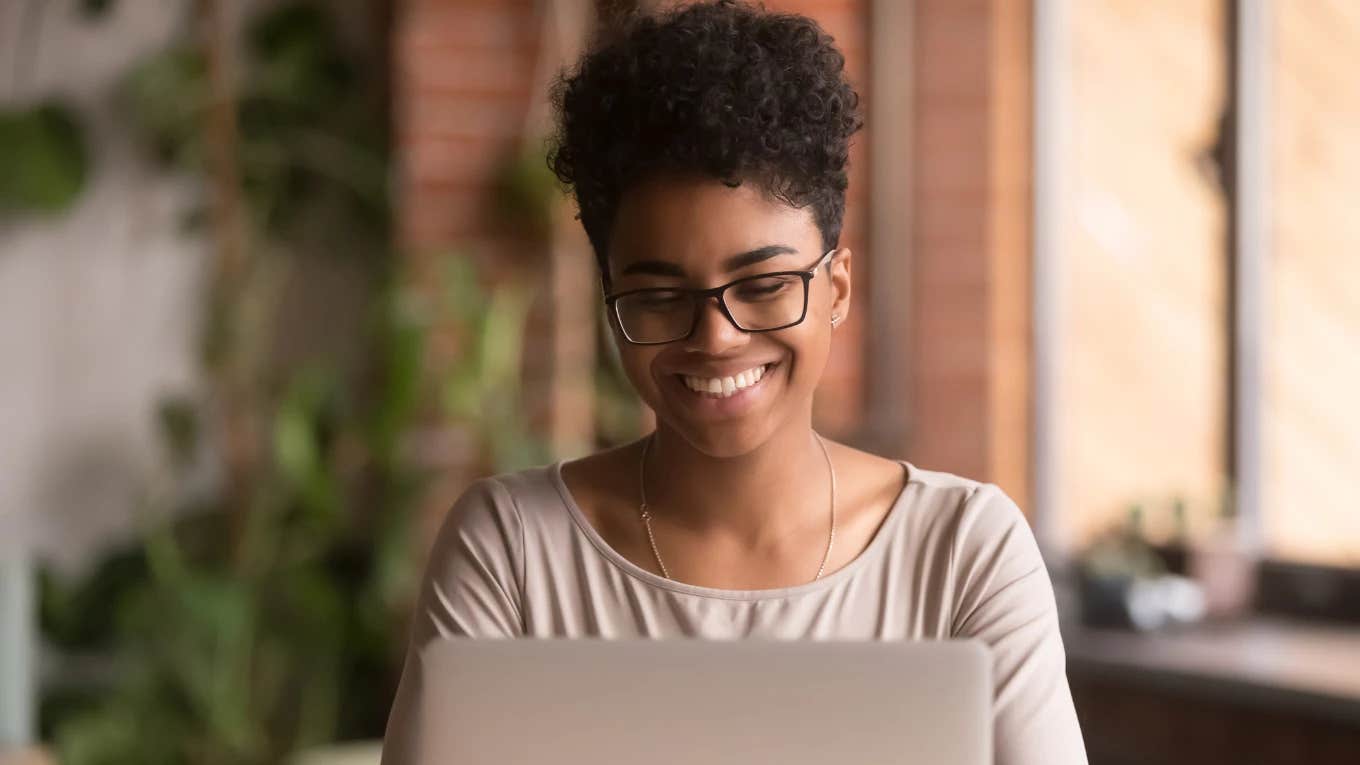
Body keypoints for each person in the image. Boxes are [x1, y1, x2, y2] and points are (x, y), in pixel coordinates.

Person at [381, 2, 1087, 763]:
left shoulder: (961, 553)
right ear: (610, 301)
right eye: (658, 295)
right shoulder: (513, 551)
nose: (715, 337)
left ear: (837, 288)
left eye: (764, 285)